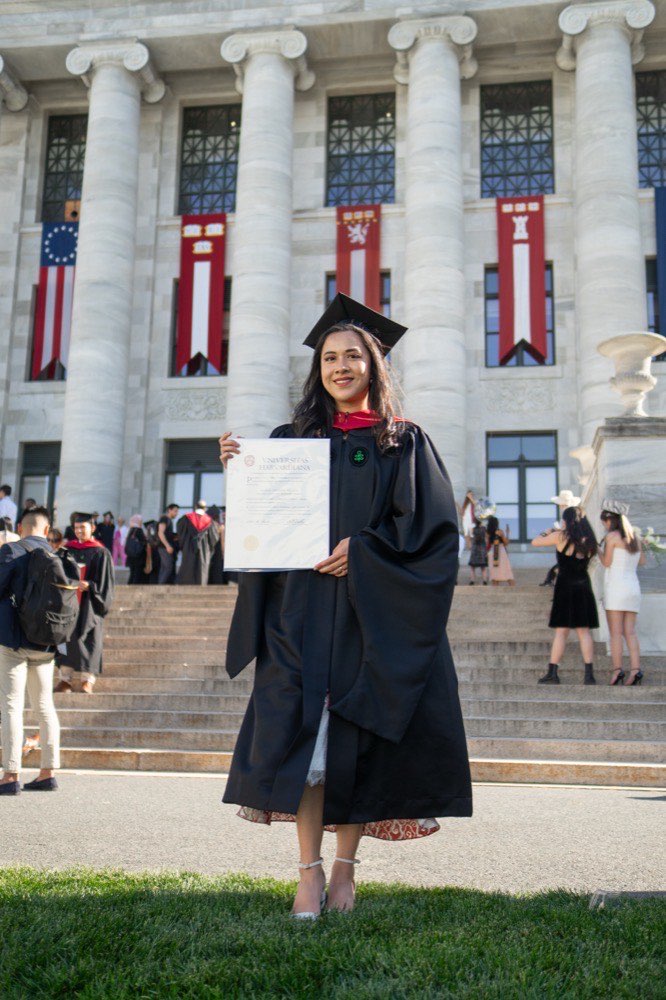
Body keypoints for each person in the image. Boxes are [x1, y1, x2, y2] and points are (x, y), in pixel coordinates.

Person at [219, 292, 472, 919]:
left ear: (373, 366)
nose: (340, 366)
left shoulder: (402, 444)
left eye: (352, 356)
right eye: (330, 357)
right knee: (306, 748)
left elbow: (433, 537)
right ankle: (306, 873)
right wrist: (242, 472)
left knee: (353, 745)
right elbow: (260, 533)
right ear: (318, 370)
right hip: (298, 618)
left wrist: (363, 552)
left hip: (368, 617)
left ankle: (344, 871)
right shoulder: (289, 441)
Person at [0, 507, 65, 794]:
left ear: (21, 527)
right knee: (44, 706)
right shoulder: (58, 556)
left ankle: (11, 774)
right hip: (48, 641)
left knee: (12, 705)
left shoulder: (11, 551)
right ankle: (47, 772)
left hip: (13, 640)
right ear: (47, 530)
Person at [531, 506, 599, 685]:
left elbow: (535, 542)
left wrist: (547, 531)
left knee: (561, 632)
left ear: (567, 521)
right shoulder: (589, 540)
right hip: (583, 585)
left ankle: (553, 672)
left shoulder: (561, 536)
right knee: (584, 632)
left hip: (565, 586)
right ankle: (589, 675)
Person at [54, 513, 115, 695]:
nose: (79, 531)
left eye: (83, 527)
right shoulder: (66, 550)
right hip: (69, 603)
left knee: (90, 639)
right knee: (66, 639)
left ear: (93, 528)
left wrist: (91, 585)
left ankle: (87, 680)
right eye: (77, 527)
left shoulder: (101, 552)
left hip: (90, 604)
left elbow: (106, 584)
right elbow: (57, 576)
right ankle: (65, 679)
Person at [598, 500, 646, 686]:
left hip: (616, 588)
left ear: (609, 521)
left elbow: (607, 563)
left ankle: (617, 670)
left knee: (616, 633)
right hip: (633, 587)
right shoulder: (635, 538)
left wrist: (597, 551)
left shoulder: (612, 538)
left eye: (604, 522)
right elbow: (642, 561)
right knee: (630, 632)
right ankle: (636, 670)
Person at [540, 489, 581, 588]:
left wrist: (550, 532)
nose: (561, 507)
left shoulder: (571, 516)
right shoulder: (573, 514)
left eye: (563, 505)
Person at [176, 501, 219, 585]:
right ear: (205, 508)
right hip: (204, 549)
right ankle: (201, 584)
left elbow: (181, 533)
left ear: (195, 507)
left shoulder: (185, 518)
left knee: (188, 564)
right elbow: (214, 538)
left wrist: (185, 543)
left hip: (189, 547)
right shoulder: (210, 521)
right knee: (202, 567)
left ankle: (186, 583)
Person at [486, 515, 515, 585]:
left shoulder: (487, 533)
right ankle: (513, 589)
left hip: (493, 552)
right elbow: (506, 543)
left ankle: (495, 593)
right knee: (507, 571)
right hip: (501, 552)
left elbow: (487, 544)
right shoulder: (500, 532)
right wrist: (507, 534)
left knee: (494, 574)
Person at [157, 504, 180, 584]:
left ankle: (160, 586)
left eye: (177, 511)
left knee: (164, 568)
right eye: (175, 511)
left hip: (165, 547)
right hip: (163, 547)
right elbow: (160, 533)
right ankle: (159, 587)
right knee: (168, 567)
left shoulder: (169, 520)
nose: (176, 513)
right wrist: (167, 546)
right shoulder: (164, 518)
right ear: (169, 510)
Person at [125, 515, 148, 585]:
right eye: (140, 521)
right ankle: (132, 590)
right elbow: (143, 542)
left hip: (131, 557)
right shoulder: (138, 530)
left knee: (132, 574)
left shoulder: (131, 530)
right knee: (136, 575)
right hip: (138, 557)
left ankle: (128, 588)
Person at [207, 505, 227, 585]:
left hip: (210, 551)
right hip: (218, 551)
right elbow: (222, 541)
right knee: (217, 568)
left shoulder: (209, 525)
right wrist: (223, 552)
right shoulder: (220, 526)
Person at [468, 514, 488, 585]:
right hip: (482, 548)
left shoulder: (473, 529)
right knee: (483, 566)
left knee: (472, 566)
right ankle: (484, 580)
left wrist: (470, 546)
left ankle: (472, 580)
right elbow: (486, 539)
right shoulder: (484, 529)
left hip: (475, 548)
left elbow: (471, 538)